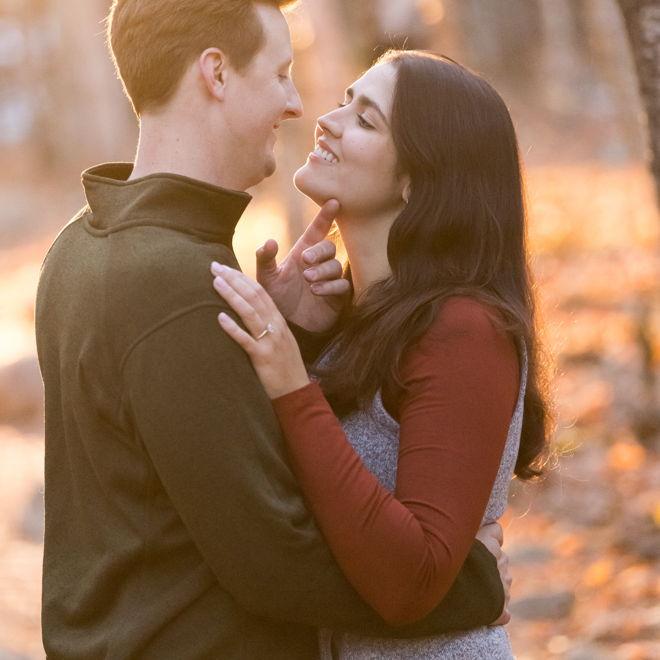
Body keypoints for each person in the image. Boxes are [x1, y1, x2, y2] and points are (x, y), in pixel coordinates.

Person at [35, 2, 511, 659]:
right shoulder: (173, 280)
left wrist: (293, 337)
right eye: (281, 74)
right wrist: (473, 588)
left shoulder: (79, 247)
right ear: (216, 74)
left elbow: (182, 470)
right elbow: (274, 556)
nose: (297, 105)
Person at [211, 49, 550, 658]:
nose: (327, 121)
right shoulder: (356, 322)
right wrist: (304, 336)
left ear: (417, 179)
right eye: (345, 101)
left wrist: (293, 384)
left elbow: (410, 580)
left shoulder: (465, 330)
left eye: (365, 120)